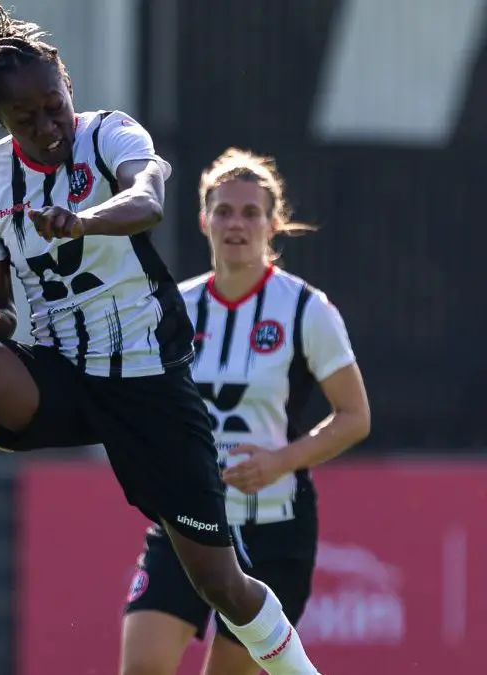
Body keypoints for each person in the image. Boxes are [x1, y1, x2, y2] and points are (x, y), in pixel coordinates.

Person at [0, 3, 327, 673]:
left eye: (54, 106)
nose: (48, 126)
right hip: (65, 372)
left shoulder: (110, 132)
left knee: (220, 584)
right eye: (26, 119)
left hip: (151, 380)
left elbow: (147, 198)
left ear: (66, 83)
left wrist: (84, 221)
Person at [120, 149, 371, 675]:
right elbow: (140, 407)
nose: (236, 223)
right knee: (143, 665)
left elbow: (354, 416)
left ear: (273, 223)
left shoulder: (306, 309)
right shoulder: (173, 308)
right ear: (203, 219)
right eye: (224, 210)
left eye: (250, 212)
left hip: (274, 526)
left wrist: (280, 461)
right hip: (188, 518)